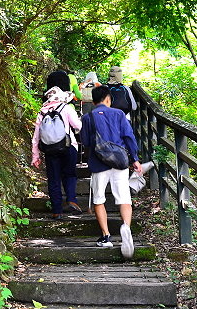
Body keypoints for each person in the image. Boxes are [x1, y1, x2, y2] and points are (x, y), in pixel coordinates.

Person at [81, 85, 142, 258]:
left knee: (99, 199)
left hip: (98, 162)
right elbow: (129, 137)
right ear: (108, 99)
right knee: (124, 198)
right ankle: (126, 228)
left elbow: (85, 141)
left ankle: (106, 236)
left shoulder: (87, 118)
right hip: (120, 162)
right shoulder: (119, 114)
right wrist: (135, 159)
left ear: (93, 101)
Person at [31, 86, 83, 219]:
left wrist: (35, 156)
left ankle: (57, 210)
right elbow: (78, 126)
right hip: (68, 146)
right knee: (69, 174)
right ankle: (71, 199)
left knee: (53, 179)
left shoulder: (42, 112)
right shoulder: (66, 108)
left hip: (50, 149)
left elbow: (36, 137)